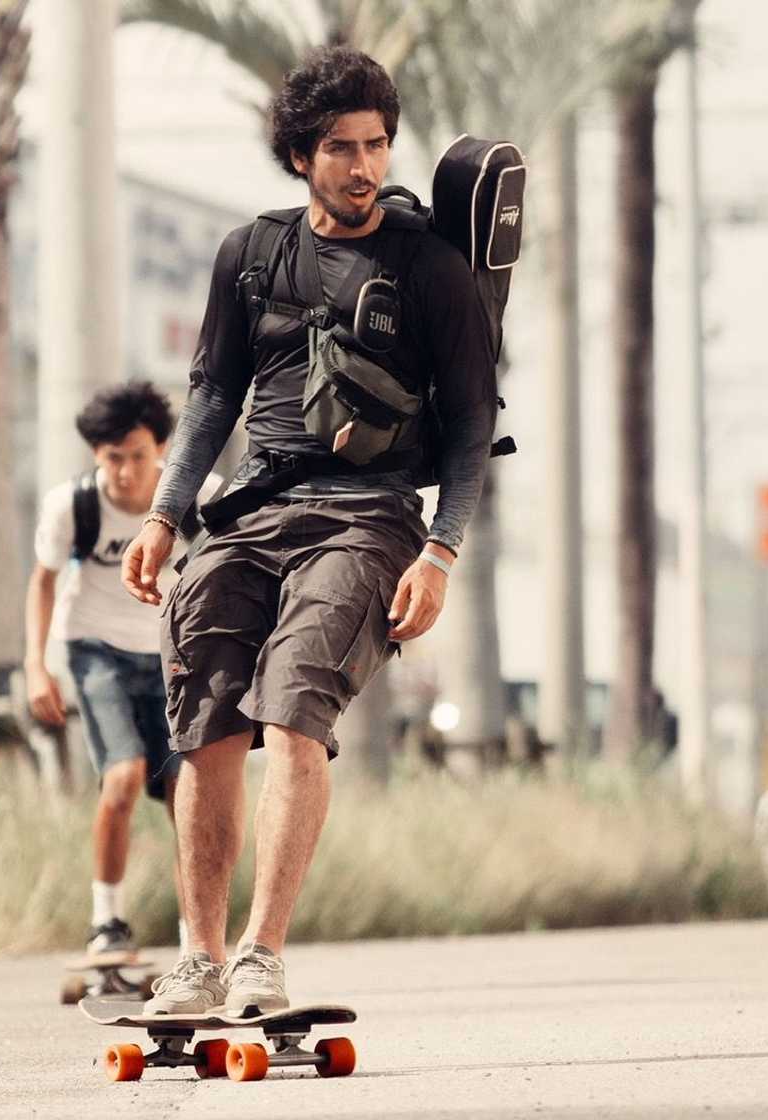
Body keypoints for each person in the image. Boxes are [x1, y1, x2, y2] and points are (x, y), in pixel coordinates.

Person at [121, 46, 499, 1016]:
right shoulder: (250, 254)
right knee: (205, 715)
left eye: (376, 144)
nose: (363, 164)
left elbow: (467, 430)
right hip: (252, 514)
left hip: (369, 521)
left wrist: (441, 551)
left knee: (292, 716)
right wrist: (166, 515)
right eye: (341, 147)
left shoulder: (434, 272)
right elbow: (210, 399)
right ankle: (198, 957)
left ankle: (259, 954)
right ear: (299, 155)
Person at [25, 381, 217, 956]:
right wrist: (37, 667)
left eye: (139, 455)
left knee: (189, 792)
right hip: (97, 649)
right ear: (96, 455)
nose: (128, 471)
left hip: (174, 653)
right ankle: (106, 920)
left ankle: (196, 937)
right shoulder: (74, 506)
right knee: (125, 774)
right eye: (114, 458)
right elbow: (43, 583)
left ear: (161, 447)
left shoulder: (200, 496)